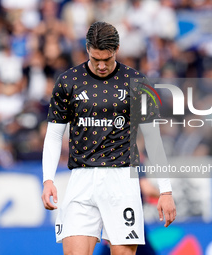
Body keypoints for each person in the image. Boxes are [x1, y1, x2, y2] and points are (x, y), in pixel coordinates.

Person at [41, 21, 176, 255]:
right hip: (81, 179)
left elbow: (153, 140)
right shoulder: (68, 82)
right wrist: (47, 180)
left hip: (122, 180)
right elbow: (54, 135)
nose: (102, 65)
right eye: (96, 60)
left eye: (107, 59)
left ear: (117, 49)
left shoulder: (137, 82)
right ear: (87, 51)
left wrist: (166, 191)